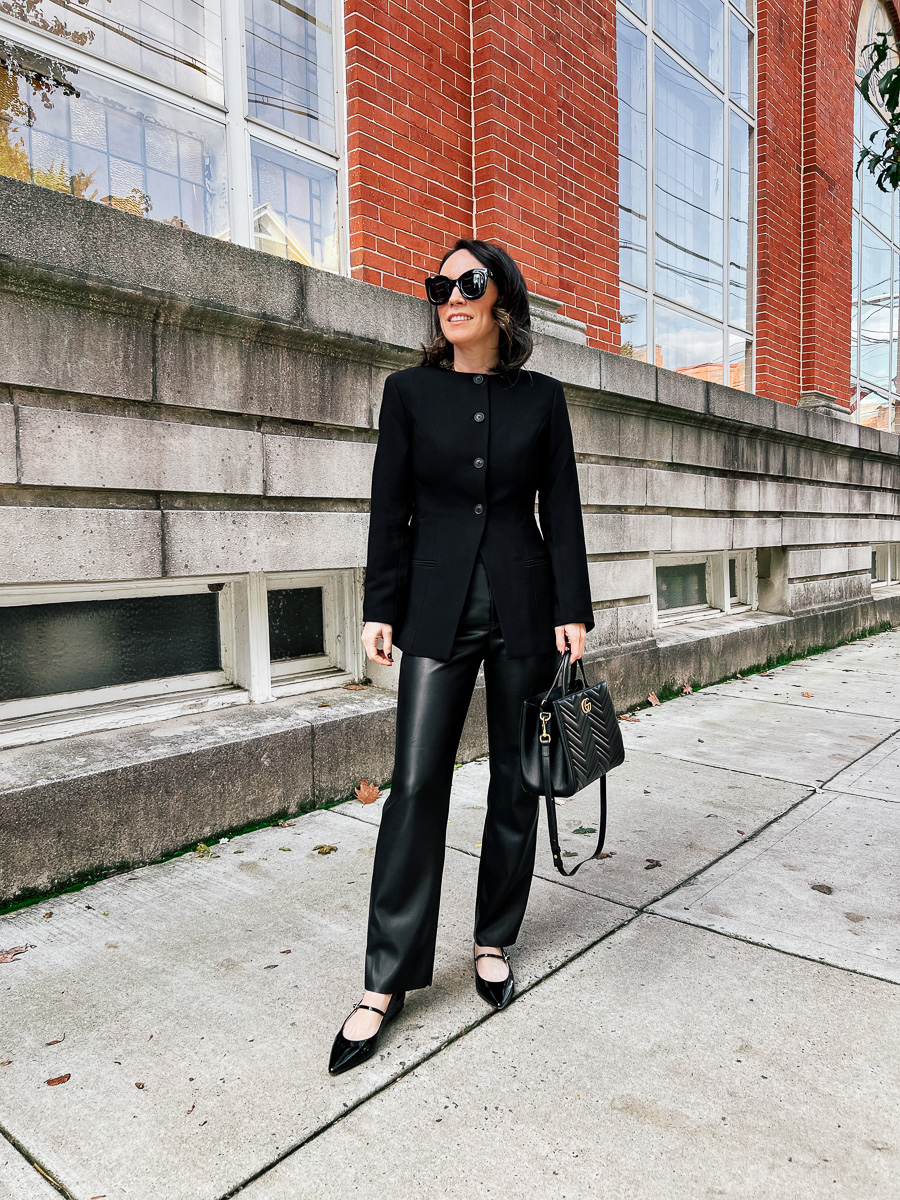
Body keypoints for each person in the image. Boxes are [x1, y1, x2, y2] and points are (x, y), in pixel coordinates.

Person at [328, 239, 594, 1075]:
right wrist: (381, 606)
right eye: (439, 285)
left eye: (467, 283)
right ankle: (386, 980)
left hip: (524, 607)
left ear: (502, 302)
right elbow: (389, 509)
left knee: (517, 779)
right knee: (415, 785)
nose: (450, 295)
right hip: (435, 613)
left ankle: (492, 939)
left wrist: (574, 610)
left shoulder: (543, 401)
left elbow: (564, 508)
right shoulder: (407, 394)